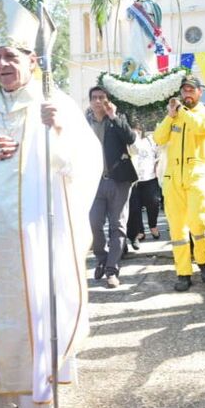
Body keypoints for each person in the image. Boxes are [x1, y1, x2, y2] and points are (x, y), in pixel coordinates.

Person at [0, 0, 102, 408]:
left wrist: (59, 131)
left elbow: (85, 168)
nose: (1, 65)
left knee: (36, 312)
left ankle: (37, 400)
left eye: (10, 57)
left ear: (33, 60)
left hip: (36, 237)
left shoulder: (56, 105)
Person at [153, 76, 205, 291]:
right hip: (173, 178)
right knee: (177, 229)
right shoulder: (175, 117)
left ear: (200, 92)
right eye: (184, 91)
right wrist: (169, 117)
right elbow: (159, 138)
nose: (186, 94)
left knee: (198, 223)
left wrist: (180, 112)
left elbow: (200, 128)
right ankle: (183, 272)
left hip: (196, 175)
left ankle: (203, 262)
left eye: (191, 90)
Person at [87, 85, 137, 288]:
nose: (98, 101)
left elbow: (131, 138)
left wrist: (114, 116)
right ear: (90, 101)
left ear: (108, 100)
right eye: (94, 98)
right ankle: (101, 258)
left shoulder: (117, 119)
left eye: (102, 97)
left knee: (117, 225)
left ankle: (111, 270)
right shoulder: (83, 123)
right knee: (94, 224)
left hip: (118, 181)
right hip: (92, 182)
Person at [127, 123, 161, 247]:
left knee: (154, 203)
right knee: (135, 208)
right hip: (134, 180)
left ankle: (153, 225)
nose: (136, 133)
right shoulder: (128, 142)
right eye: (133, 131)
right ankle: (139, 231)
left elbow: (159, 153)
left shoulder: (150, 140)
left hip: (150, 178)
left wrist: (158, 165)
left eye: (138, 131)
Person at [125, 0, 169, 77]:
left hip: (148, 28)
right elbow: (128, 18)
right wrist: (129, 12)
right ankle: (138, 67)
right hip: (137, 27)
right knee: (137, 46)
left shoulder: (150, 3)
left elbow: (156, 15)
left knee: (147, 49)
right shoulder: (133, 6)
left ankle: (148, 69)